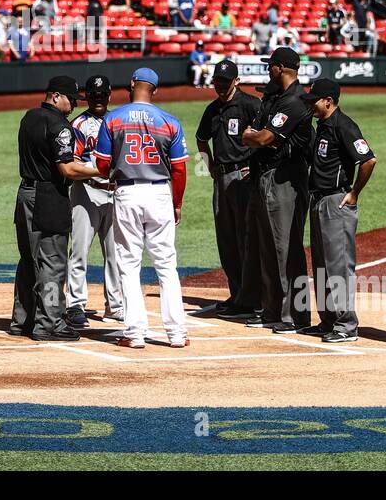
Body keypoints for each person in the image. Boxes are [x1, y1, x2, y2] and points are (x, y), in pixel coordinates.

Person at [93, 67, 190, 349]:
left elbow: (101, 164)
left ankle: (135, 333)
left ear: (132, 83)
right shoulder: (169, 121)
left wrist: (116, 169)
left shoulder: (113, 118)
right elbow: (180, 170)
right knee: (166, 265)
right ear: (155, 90)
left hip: (127, 192)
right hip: (160, 193)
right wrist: (177, 203)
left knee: (128, 264)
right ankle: (176, 333)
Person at [10, 76, 100, 341]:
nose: (74, 105)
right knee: (52, 262)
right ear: (56, 96)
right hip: (49, 197)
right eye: (71, 100)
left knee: (28, 260)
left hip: (24, 194)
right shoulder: (60, 126)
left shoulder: (29, 117)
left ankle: (22, 320)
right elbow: (66, 169)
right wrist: (102, 170)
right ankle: (49, 323)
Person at [234, 47, 312, 331]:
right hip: (266, 176)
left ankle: (295, 315)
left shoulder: (294, 101)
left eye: (271, 66)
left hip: (286, 180)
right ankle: (273, 310)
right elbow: (249, 134)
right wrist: (255, 137)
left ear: (281, 68)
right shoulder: (278, 99)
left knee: (286, 249)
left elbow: (263, 137)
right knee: (267, 248)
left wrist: (255, 137)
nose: (269, 70)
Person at [301, 79, 377, 343]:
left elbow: (368, 160)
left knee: (339, 266)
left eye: (315, 101)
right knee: (322, 264)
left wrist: (354, 192)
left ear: (329, 102)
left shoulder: (344, 125)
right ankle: (328, 320)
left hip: (336, 202)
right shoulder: (321, 126)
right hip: (318, 201)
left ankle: (346, 325)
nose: (311, 105)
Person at [193, 59, 260, 315]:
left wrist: (255, 166)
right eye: (217, 81)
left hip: (243, 179)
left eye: (225, 81)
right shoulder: (212, 109)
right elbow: (201, 140)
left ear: (237, 81)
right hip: (221, 179)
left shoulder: (251, 105)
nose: (220, 86)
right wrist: (209, 165)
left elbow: (267, 138)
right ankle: (238, 294)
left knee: (246, 237)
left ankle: (252, 298)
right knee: (227, 239)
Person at [65, 75, 124, 327]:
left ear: (109, 95)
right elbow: (72, 161)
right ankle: (76, 305)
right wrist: (97, 170)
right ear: (86, 97)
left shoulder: (119, 121)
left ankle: (116, 305)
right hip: (86, 192)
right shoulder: (78, 124)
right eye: (93, 95)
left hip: (114, 193)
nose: (98, 99)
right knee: (79, 251)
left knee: (116, 254)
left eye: (102, 95)